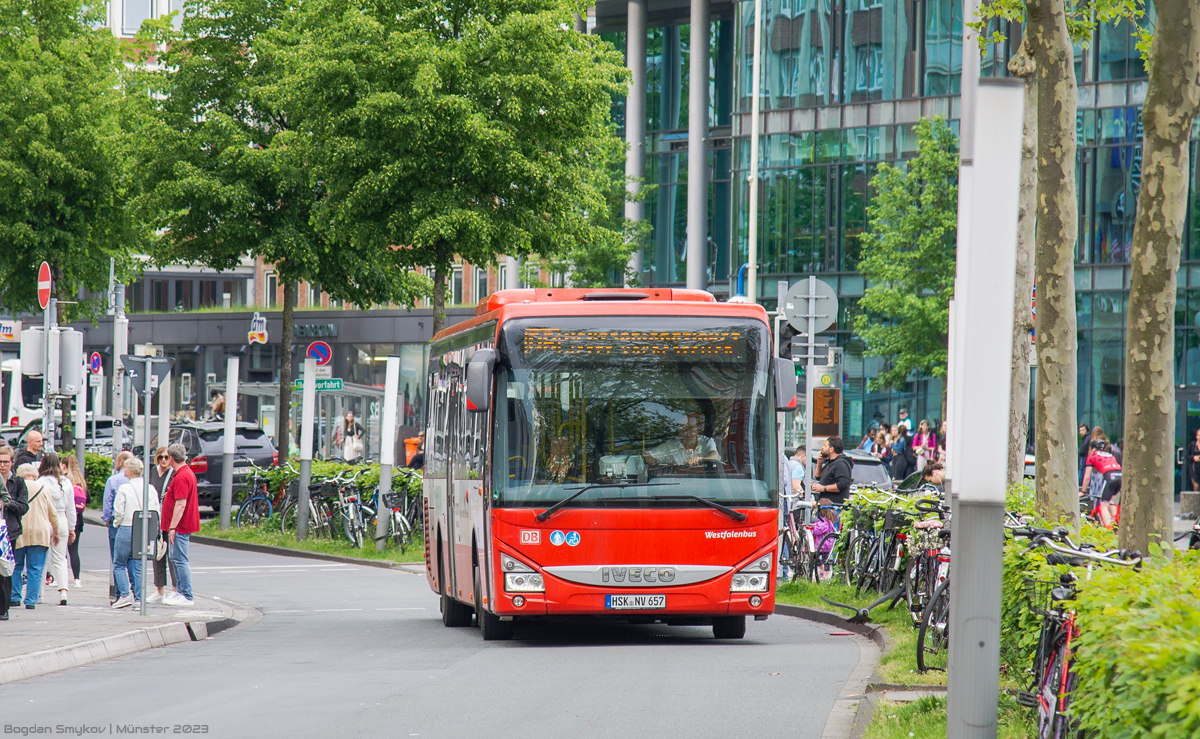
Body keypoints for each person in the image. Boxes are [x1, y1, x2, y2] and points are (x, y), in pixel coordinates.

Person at [111, 458, 160, 609]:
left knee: (119, 563)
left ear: (131, 472)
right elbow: (156, 510)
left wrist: (116, 523)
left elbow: (119, 511)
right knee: (138, 564)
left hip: (126, 526)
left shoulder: (124, 489)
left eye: (125, 468)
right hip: (143, 529)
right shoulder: (150, 488)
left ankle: (124, 595)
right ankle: (139, 600)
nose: (124, 470)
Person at [11, 463, 58, 610]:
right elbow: (53, 514)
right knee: (36, 568)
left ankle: (14, 596)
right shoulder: (43, 489)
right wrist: (56, 531)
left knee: (16, 566)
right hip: (40, 531)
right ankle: (31, 600)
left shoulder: (17, 488)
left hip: (19, 531)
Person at [161, 444, 200, 606]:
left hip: (180, 526)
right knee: (176, 558)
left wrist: (172, 527)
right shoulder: (185, 473)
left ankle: (186, 594)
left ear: (171, 458)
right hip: (181, 525)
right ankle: (180, 592)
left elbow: (180, 504)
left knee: (180, 559)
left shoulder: (182, 476)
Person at [38, 453, 75, 606]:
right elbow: (71, 509)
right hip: (61, 519)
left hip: (44, 519)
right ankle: (63, 592)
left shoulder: (40, 482)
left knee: (41, 558)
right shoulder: (66, 483)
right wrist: (72, 528)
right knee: (60, 558)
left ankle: (39, 594)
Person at [0, 446, 29, 621]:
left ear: (12, 462)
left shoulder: (17, 483)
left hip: (8, 531)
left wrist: (7, 504)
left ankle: (4, 607)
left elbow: (23, 507)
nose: (2, 465)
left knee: (5, 569)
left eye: (5, 462)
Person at [101, 451, 133, 599]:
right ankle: (136, 593)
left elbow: (108, 502)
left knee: (117, 559)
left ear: (120, 462)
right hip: (134, 522)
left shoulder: (113, 480)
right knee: (133, 559)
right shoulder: (138, 481)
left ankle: (121, 594)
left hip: (116, 521)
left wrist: (107, 518)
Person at [147, 447, 175, 604]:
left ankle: (176, 590)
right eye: (161, 457)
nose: (164, 460)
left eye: (167, 457)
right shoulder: (153, 471)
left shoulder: (172, 473)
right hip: (155, 517)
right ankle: (159, 589)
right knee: (157, 554)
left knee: (171, 555)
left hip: (168, 518)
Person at [643, 413, 720, 467]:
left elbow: (714, 455)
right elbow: (648, 456)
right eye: (684, 429)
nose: (688, 433)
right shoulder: (671, 445)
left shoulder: (706, 441)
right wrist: (652, 461)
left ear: (697, 429)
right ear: (680, 432)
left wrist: (701, 460)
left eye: (691, 428)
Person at [1081, 438, 1121, 529]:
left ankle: (1108, 529)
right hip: (1120, 477)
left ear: (1093, 448)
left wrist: (1083, 491)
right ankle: (1116, 524)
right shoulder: (1110, 455)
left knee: (1103, 505)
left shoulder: (1092, 456)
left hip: (1110, 478)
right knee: (1110, 501)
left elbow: (1087, 476)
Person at [63, 455, 87, 588]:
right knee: (74, 549)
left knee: (61, 550)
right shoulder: (80, 481)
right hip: (79, 520)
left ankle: (61, 577)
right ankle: (77, 578)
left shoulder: (65, 481)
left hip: (66, 516)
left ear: (65, 466)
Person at [811, 436, 853, 504]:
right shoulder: (830, 462)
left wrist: (824, 488)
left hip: (834, 506)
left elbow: (842, 484)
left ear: (831, 449)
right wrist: (819, 463)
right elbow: (818, 476)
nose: (822, 448)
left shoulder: (840, 463)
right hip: (824, 506)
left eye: (825, 446)